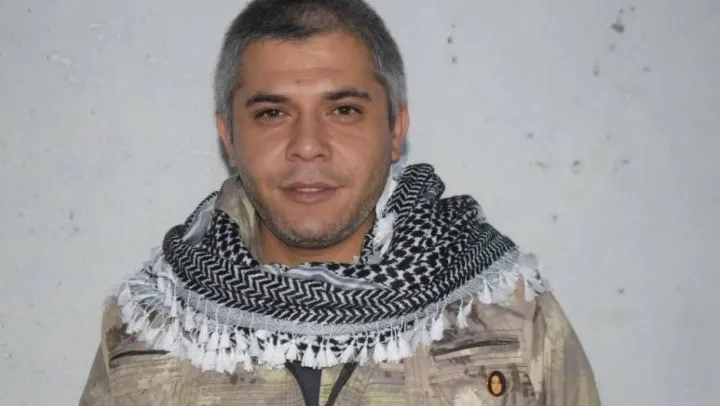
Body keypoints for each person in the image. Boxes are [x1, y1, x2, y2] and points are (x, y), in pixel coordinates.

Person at [79, 0, 601, 405]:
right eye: (272, 113)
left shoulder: (508, 316)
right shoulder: (148, 329)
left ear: (395, 129)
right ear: (229, 137)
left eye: (344, 110)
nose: (308, 145)